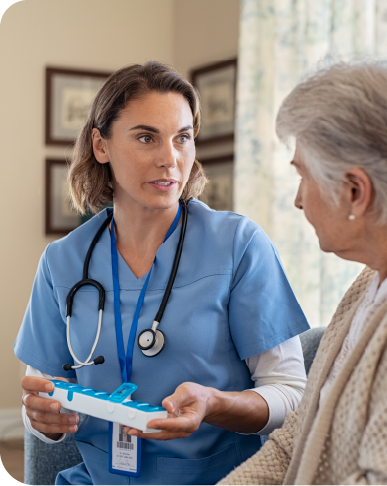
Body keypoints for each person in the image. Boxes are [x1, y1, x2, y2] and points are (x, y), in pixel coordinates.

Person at [14, 61, 310, 486]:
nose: (170, 158)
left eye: (182, 138)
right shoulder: (62, 262)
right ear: (101, 145)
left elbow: (290, 394)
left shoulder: (239, 245)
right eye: (146, 137)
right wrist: (43, 419)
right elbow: (41, 395)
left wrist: (215, 403)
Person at [217, 61, 387, 486]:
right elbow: (295, 440)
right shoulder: (375, 278)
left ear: (354, 191)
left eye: (303, 176)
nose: (297, 200)